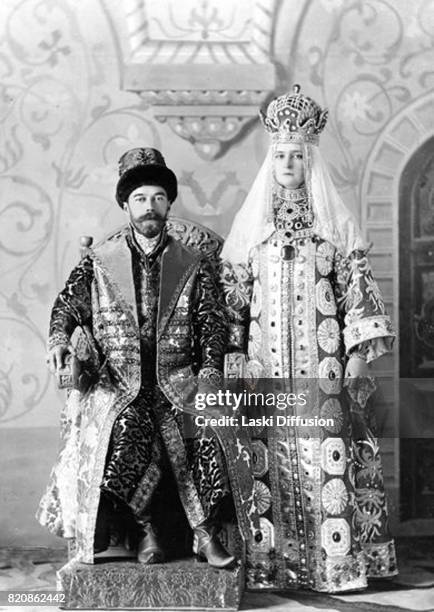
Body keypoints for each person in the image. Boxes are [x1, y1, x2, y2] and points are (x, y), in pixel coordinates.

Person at [37, 147, 253, 568]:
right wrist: (59, 340)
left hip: (180, 379)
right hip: (117, 382)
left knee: (206, 430)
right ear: (125, 205)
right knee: (128, 428)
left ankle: (205, 535)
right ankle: (144, 529)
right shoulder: (99, 264)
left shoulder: (193, 263)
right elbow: (66, 306)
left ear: (169, 203)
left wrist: (209, 372)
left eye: (157, 198)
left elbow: (212, 322)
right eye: (140, 199)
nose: (149, 207)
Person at [220, 86, 397, 591]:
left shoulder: (333, 231)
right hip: (264, 369)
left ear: (310, 162)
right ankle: (271, 566)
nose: (289, 162)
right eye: (281, 155)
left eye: (298, 155)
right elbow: (233, 300)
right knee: (264, 462)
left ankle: (332, 565)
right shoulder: (253, 234)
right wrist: (232, 354)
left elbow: (358, 294)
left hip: (323, 367)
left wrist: (360, 356)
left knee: (327, 456)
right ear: (270, 161)